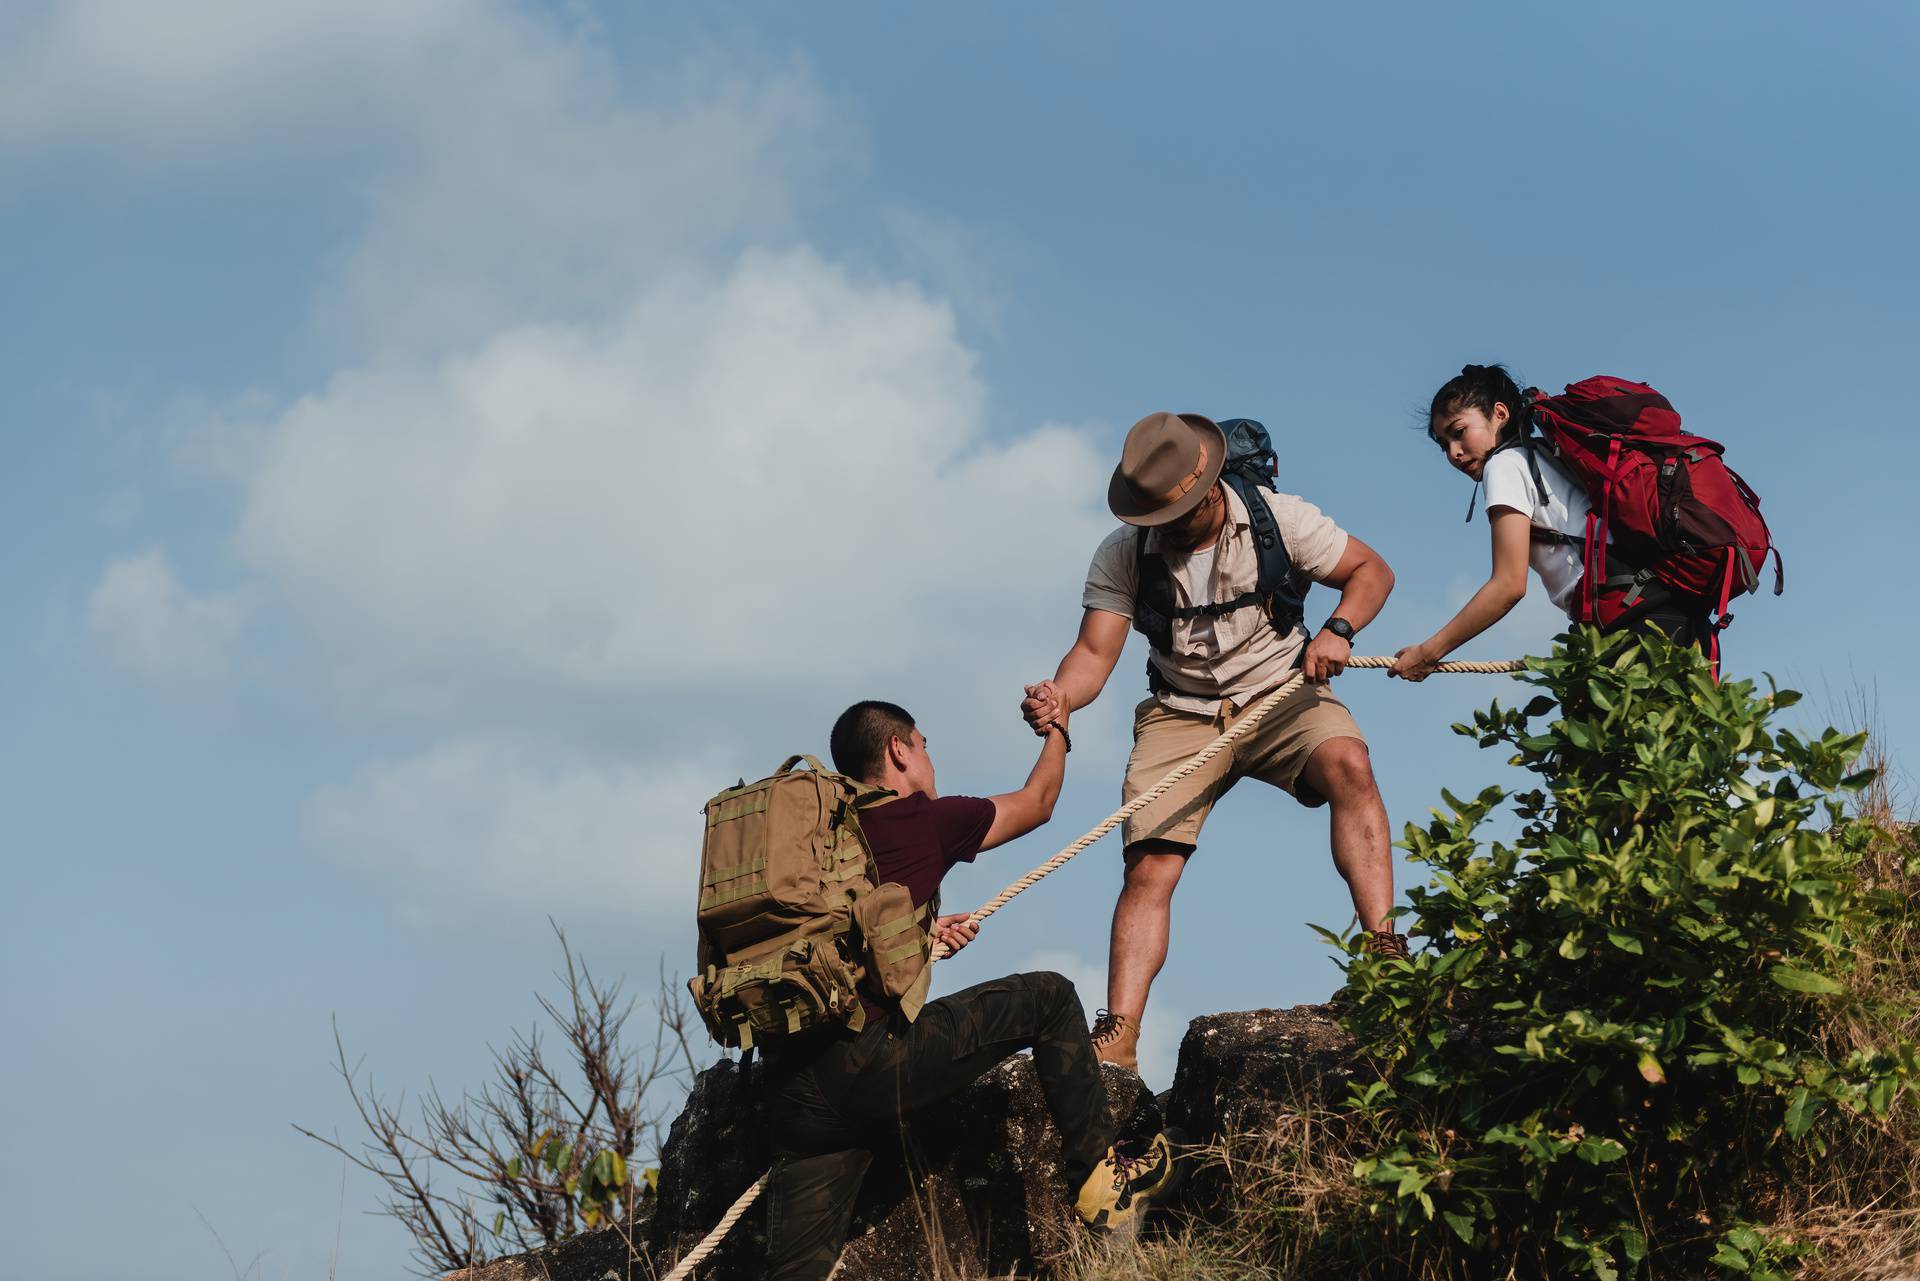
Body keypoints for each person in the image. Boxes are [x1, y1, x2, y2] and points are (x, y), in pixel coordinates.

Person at [1019, 411, 1400, 1075]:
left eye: (1174, 510)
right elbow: (1092, 650)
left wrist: (1339, 627)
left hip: (1283, 692)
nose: (1161, 524)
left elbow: (1372, 570)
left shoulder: (1280, 519)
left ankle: (1385, 954)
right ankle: (1122, 1036)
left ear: (1208, 489)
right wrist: (1062, 695)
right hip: (1180, 711)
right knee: (1148, 866)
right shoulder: (1123, 552)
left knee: (1350, 763)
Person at [762, 699, 1175, 1280]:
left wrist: (921, 931)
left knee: (797, 1270)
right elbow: (1038, 803)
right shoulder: (920, 820)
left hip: (795, 1093)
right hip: (871, 1065)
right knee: (1051, 997)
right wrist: (1058, 728)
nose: (931, 761)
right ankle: (1104, 1183)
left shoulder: (814, 848)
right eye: (924, 746)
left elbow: (839, 936)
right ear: (898, 751)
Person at [1389, 364, 1712, 684]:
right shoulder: (1549, 453)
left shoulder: (1504, 465)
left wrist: (1429, 651)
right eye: (1444, 445)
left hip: (1632, 631)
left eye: (1459, 433)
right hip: (1682, 623)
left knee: (1597, 737)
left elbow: (1508, 585)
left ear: (1499, 414)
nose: (1454, 453)